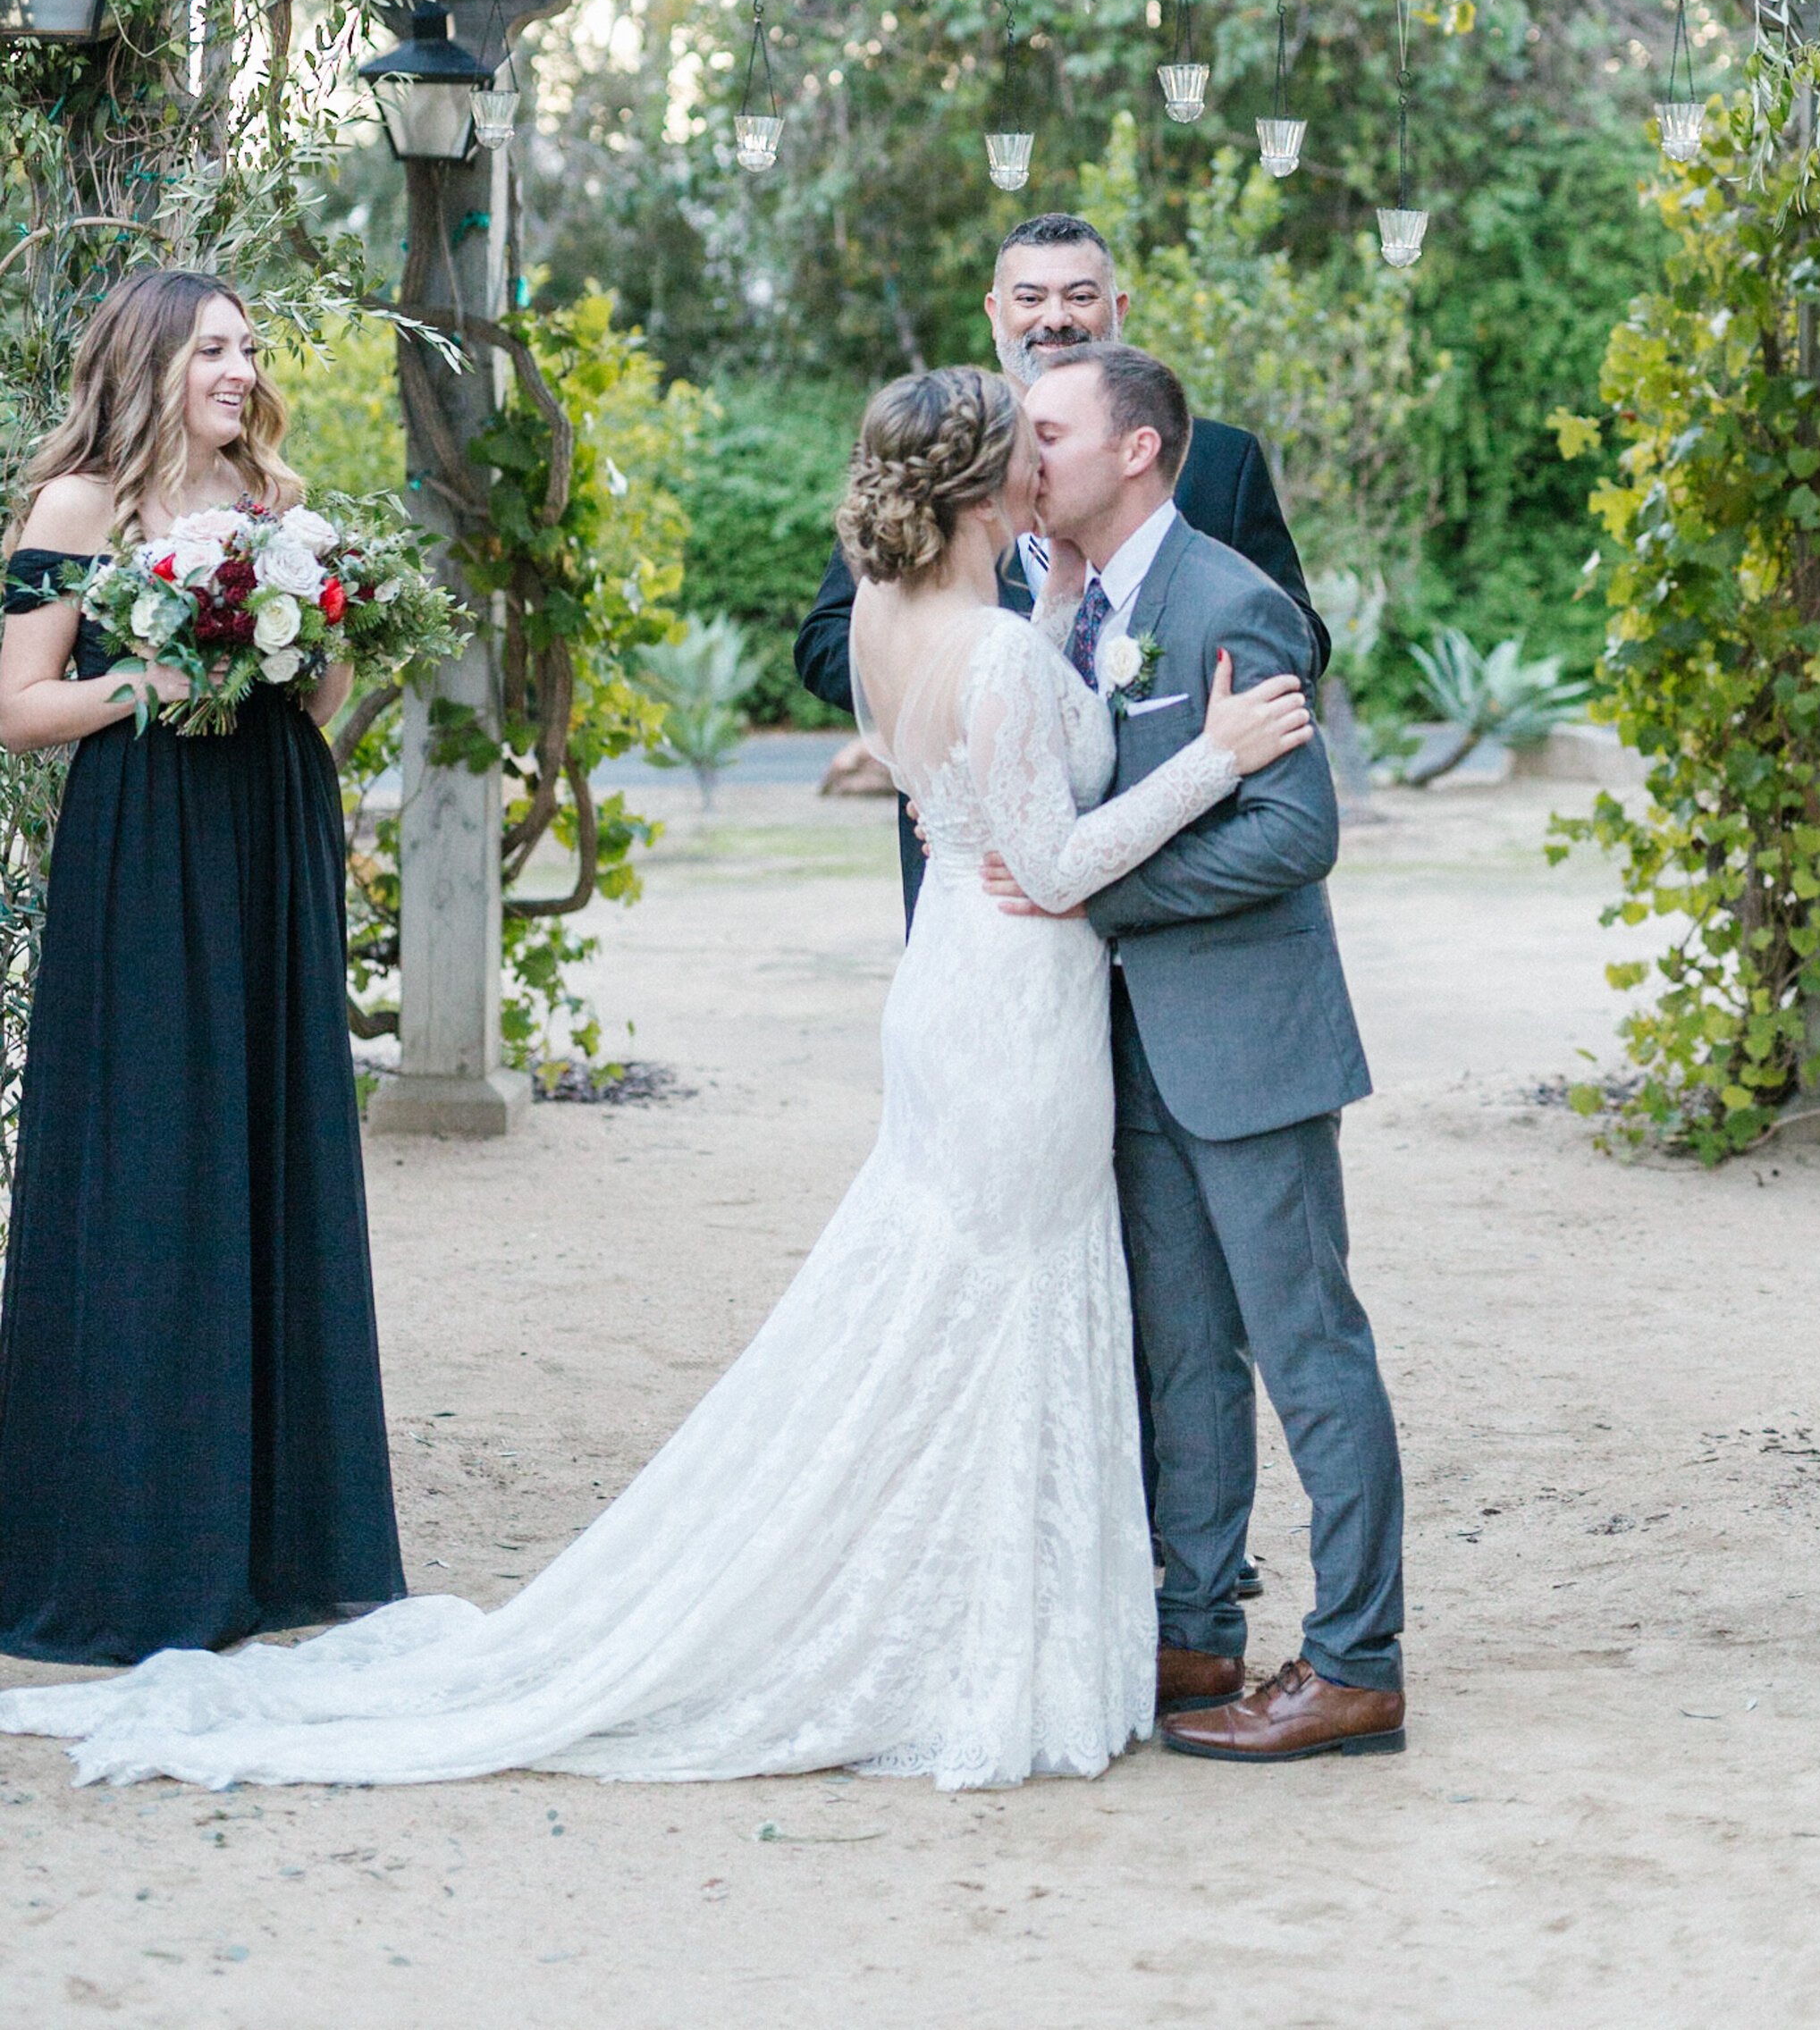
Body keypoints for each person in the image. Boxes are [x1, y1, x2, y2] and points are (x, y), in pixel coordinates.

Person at [0, 365, 1314, 1790]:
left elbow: (1001, 749)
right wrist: (1215, 760)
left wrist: (1055, 598)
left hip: (958, 993)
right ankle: (997, 1642)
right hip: (1013, 1008)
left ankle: (1024, 1617)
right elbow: (1051, 863)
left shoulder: (904, 616)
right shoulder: (989, 650)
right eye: (1031, 456)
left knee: (951, 1303)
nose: (1048, 476)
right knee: (1002, 1304)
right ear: (990, 486)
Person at [990, 343, 1407, 1762]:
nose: (1021, 452)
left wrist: (1096, 893)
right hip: (1127, 1054)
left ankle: (1356, 1661)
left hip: (1247, 1043)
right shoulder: (1073, 601)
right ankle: (1197, 1631)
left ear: (1137, 451)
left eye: (1046, 430)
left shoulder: (1230, 599)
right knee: (1181, 1357)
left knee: (1308, 1349)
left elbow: (1298, 832)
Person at [0, 268, 404, 1666]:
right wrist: (156, 679)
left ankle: (286, 1540)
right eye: (214, 347)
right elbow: (17, 703)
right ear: (152, 359)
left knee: (274, 1147)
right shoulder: (78, 508)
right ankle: (127, 1539)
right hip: (149, 848)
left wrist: (307, 630)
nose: (240, 368)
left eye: (248, 346)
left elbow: (329, 693)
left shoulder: (283, 501)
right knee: (158, 1154)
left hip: (269, 835)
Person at [794, 211, 1327, 928]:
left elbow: (1294, 634)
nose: (1056, 319)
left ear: (1118, 310)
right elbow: (828, 639)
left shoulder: (1215, 460)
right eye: (1030, 298)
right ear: (994, 314)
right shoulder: (940, 461)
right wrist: (961, 735)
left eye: (1080, 297)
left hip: (1170, 869)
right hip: (991, 879)